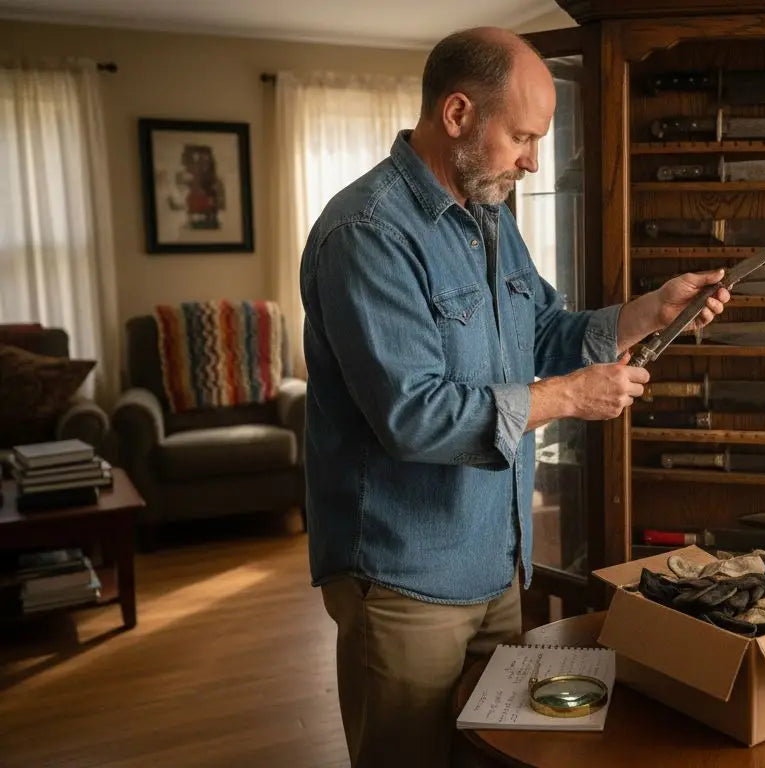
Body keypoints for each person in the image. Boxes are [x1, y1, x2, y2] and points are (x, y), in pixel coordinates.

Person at [298, 26, 732, 768]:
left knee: (494, 758)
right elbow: (414, 416)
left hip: (498, 566)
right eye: (523, 137)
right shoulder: (366, 232)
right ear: (457, 114)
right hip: (403, 581)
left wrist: (648, 313)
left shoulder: (490, 214)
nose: (533, 160)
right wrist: (567, 397)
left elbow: (544, 331)